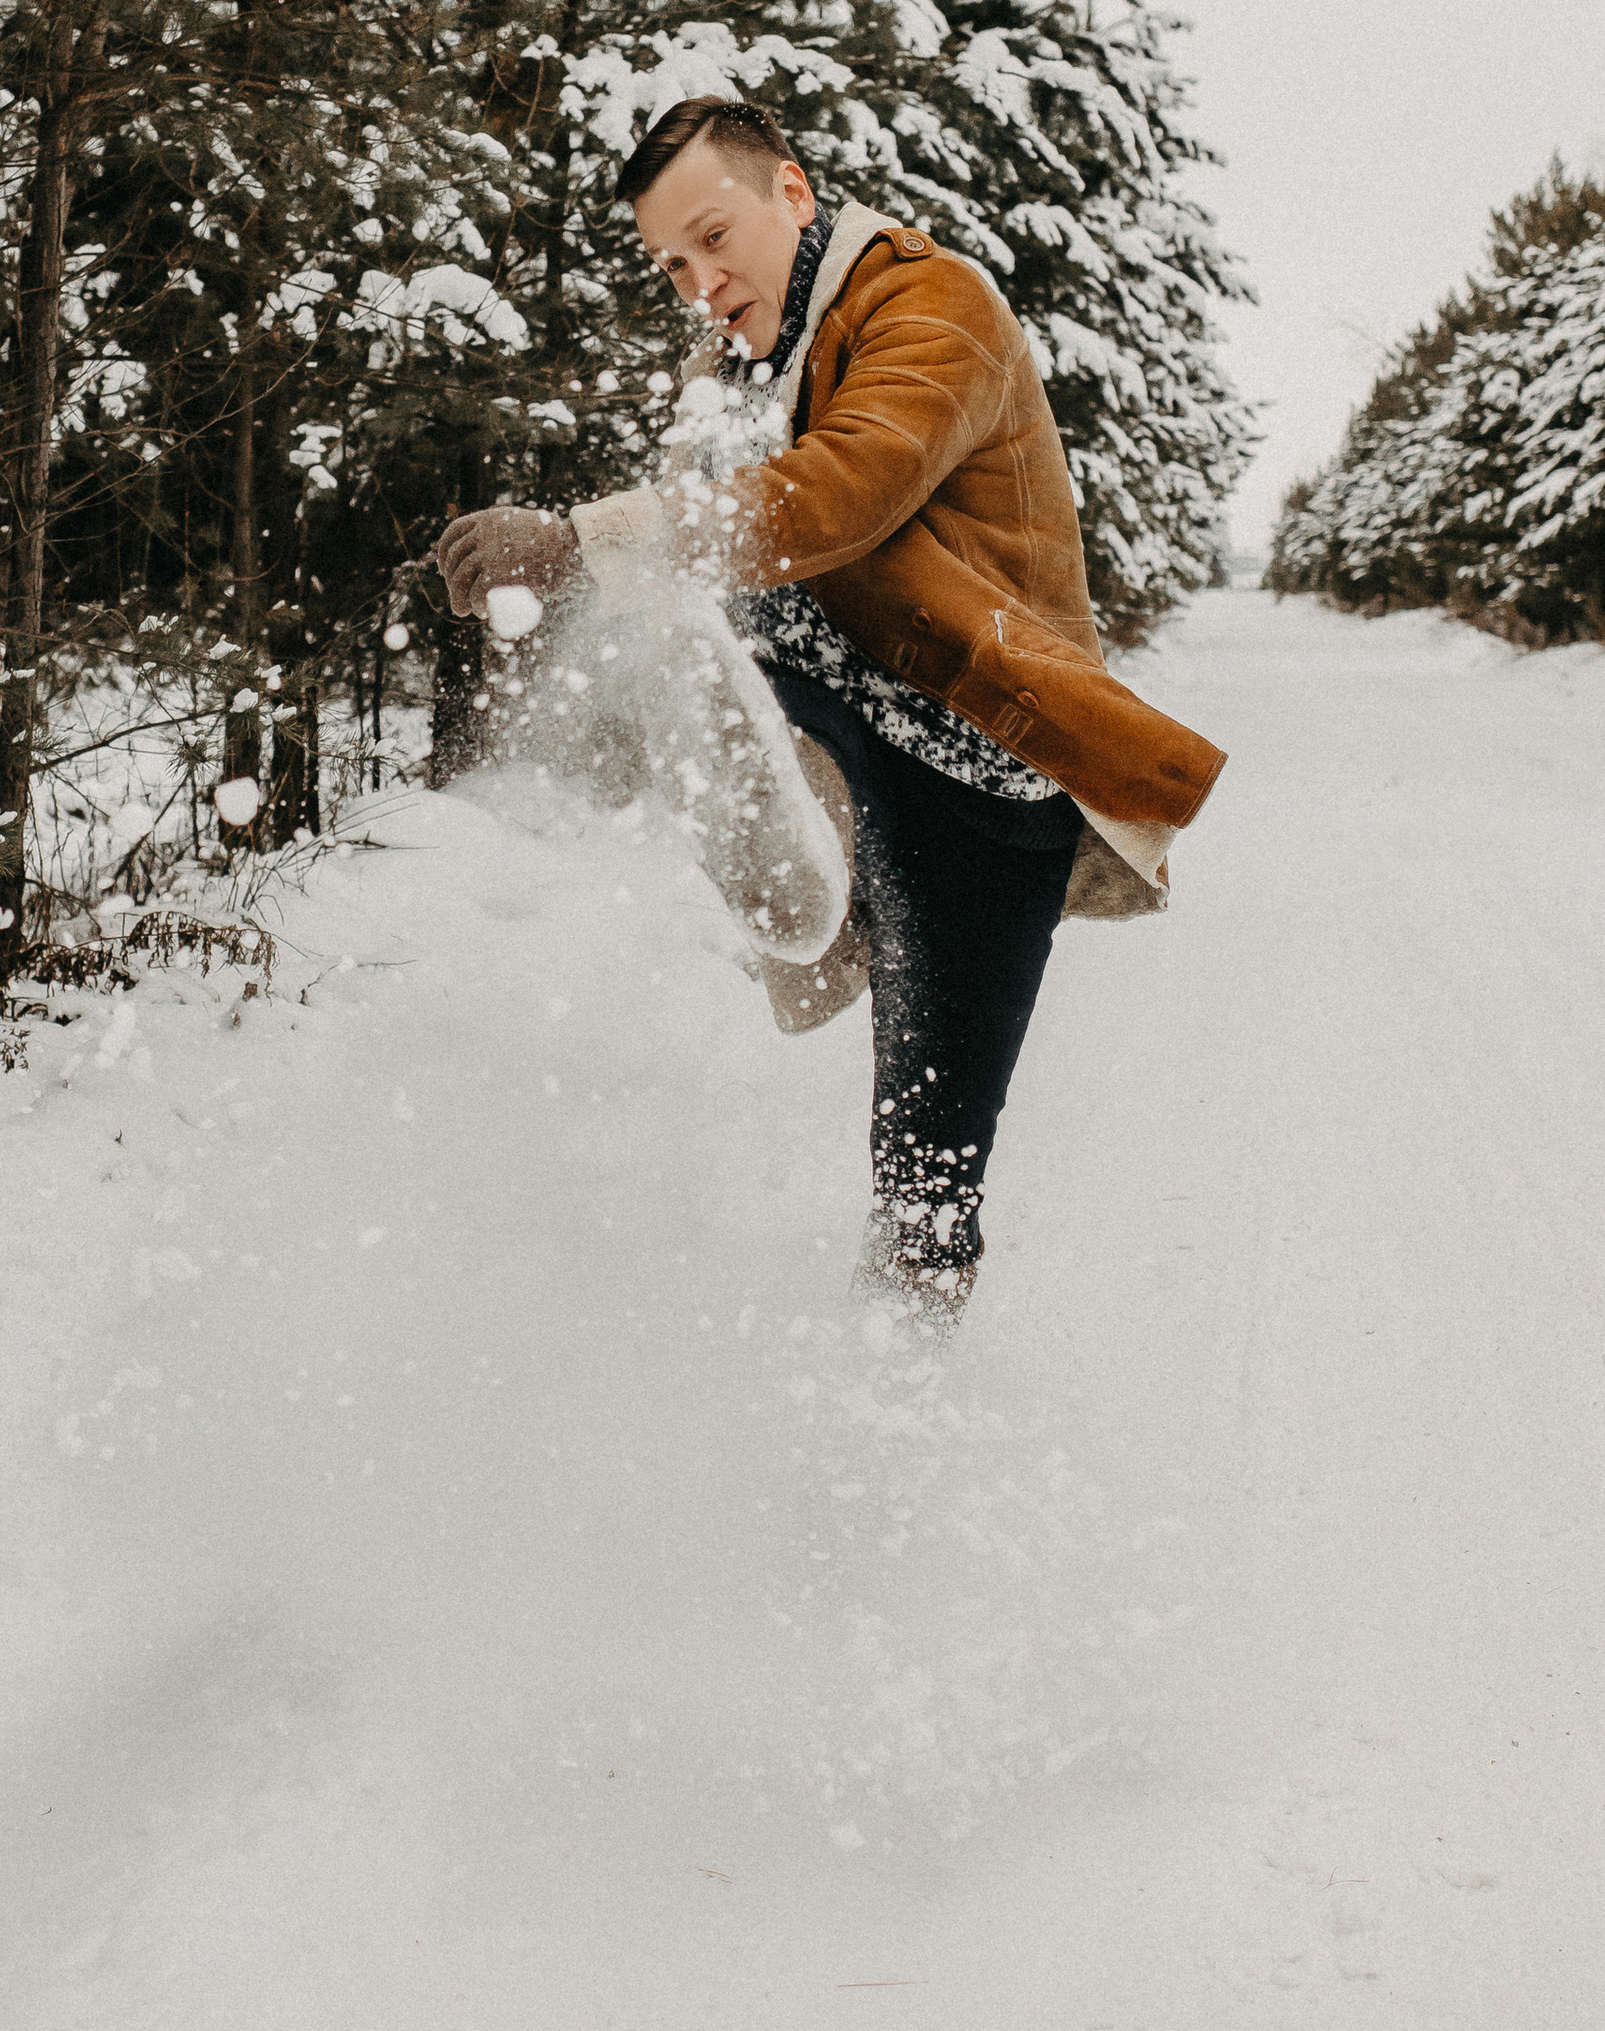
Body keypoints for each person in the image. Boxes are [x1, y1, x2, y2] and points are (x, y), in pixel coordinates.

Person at [435, 95, 1226, 1321]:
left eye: (714, 238)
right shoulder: (748, 360)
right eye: (671, 264)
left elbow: (844, 490)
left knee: (928, 1167)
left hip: (984, 765)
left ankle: (893, 1402)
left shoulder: (932, 306)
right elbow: (712, 520)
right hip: (850, 726)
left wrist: (579, 541)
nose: (698, 281)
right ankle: (790, 841)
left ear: (793, 194)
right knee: (683, 615)